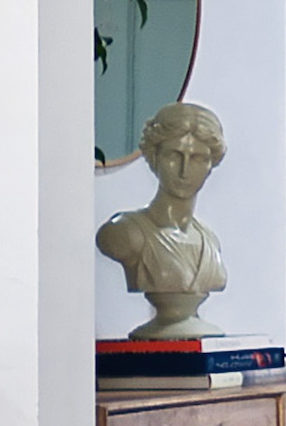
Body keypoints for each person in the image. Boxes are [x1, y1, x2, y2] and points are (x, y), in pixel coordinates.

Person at [97, 101, 229, 338]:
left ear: (211, 165)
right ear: (154, 157)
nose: (184, 169)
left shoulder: (209, 240)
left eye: (198, 158)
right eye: (174, 155)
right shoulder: (125, 233)